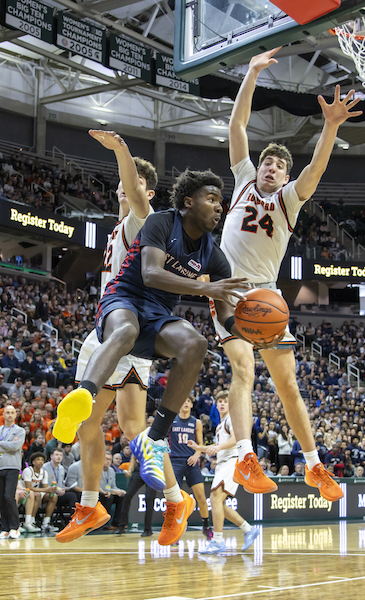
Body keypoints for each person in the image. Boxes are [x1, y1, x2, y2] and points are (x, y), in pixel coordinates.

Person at [54, 167, 250, 544]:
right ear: (188, 201)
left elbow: (226, 315)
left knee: (194, 344)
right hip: (124, 300)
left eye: (221, 202)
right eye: (212, 199)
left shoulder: (213, 253)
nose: (219, 207)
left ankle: (156, 446)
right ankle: (85, 394)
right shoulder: (161, 221)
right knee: (122, 344)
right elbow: (151, 273)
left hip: (156, 318)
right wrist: (205, 289)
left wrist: (250, 330)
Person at [210, 47, 362, 502]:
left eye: (279, 165)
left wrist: (330, 126)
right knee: (243, 371)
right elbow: (237, 126)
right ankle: (245, 457)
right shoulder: (240, 180)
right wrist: (252, 73)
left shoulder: (290, 199)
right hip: (229, 291)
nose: (271, 168)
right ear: (257, 167)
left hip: (269, 298)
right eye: (267, 163)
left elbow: (316, 167)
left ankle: (315, 467)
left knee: (288, 384)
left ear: (284, 175)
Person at [189, 391, 260, 554]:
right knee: (218, 503)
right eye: (219, 401)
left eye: (225, 401)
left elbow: (236, 439)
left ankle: (218, 541)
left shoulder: (232, 419)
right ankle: (249, 529)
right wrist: (198, 448)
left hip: (232, 461)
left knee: (215, 498)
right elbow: (216, 447)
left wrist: (219, 447)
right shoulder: (221, 424)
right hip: (223, 464)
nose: (221, 404)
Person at [169, 395, 213, 539]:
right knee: (175, 498)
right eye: (183, 400)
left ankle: (206, 526)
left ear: (192, 405)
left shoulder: (197, 423)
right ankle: (174, 529)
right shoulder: (171, 419)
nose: (186, 403)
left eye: (188, 401)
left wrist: (196, 455)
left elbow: (200, 444)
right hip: (175, 461)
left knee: (201, 496)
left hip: (192, 462)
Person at [0, 406, 26, 539]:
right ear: (3, 414)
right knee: (1, 499)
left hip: (12, 467)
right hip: (0, 467)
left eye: (12, 413)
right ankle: (4, 528)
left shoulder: (19, 430)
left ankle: (15, 528)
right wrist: (7, 444)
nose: (10, 415)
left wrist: (2, 444)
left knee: (9, 497)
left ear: (15, 415)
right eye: (7, 412)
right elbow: (11, 446)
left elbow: (16, 447)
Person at [116, 454, 157, 537]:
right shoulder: (140, 442)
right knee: (127, 495)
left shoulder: (159, 442)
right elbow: (134, 457)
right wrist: (130, 470)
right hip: (139, 470)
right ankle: (122, 526)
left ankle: (148, 529)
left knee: (149, 498)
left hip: (153, 470)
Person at [22, 451, 59, 533]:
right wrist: (46, 489)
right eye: (38, 460)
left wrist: (51, 490)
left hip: (35, 493)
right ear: (33, 462)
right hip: (24, 494)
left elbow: (45, 488)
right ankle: (31, 521)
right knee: (36, 494)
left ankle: (46, 523)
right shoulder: (28, 470)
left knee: (53, 496)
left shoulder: (44, 472)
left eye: (42, 460)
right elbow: (28, 488)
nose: (40, 462)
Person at [43, 448, 78, 513]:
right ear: (51, 456)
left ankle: (75, 517)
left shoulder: (61, 468)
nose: (59, 457)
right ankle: (74, 518)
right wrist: (57, 490)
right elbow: (43, 486)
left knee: (75, 493)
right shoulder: (45, 467)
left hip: (59, 493)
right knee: (72, 496)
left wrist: (66, 488)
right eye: (56, 455)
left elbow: (61, 484)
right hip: (48, 494)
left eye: (60, 455)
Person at [98, 452, 126, 529]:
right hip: (98, 493)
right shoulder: (97, 469)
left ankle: (116, 522)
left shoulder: (111, 470)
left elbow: (113, 486)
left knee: (122, 497)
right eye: (106, 459)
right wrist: (114, 491)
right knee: (109, 497)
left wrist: (120, 490)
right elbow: (99, 487)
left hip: (108, 492)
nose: (108, 461)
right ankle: (105, 524)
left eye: (110, 460)